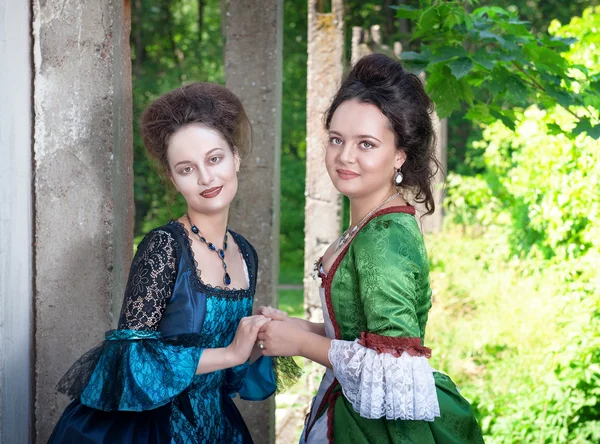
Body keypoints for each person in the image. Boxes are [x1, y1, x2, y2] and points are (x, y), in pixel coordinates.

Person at [49, 82, 299, 444]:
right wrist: (230, 350)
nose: (206, 178)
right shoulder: (163, 247)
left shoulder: (246, 254)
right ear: (172, 178)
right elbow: (132, 360)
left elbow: (228, 378)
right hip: (150, 428)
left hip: (216, 427)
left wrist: (255, 341)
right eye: (186, 168)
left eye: (215, 159)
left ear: (236, 157)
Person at [257, 54, 485, 443]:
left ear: (400, 154)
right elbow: (359, 334)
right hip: (344, 408)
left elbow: (393, 367)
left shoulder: (386, 237)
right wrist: (298, 326)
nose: (345, 156)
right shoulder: (370, 222)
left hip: (373, 428)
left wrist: (301, 343)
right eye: (336, 139)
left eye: (366, 143)